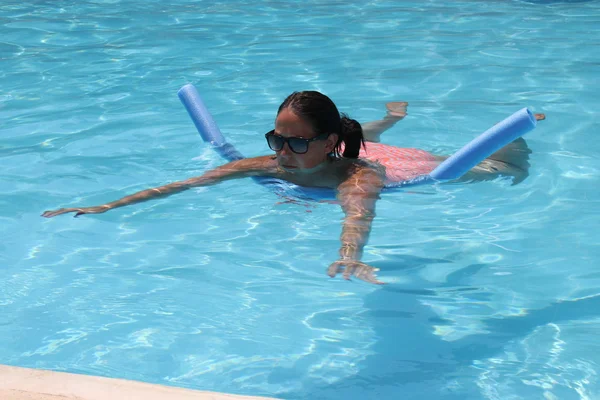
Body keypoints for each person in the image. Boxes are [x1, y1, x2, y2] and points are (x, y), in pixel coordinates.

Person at [42, 92, 545, 284]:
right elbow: (187, 185)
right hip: (348, 144)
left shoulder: (358, 176)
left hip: (408, 170)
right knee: (362, 135)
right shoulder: (274, 163)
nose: (282, 150)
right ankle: (386, 120)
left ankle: (522, 132)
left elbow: (358, 215)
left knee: (499, 170)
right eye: (276, 138)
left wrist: (350, 254)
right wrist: (110, 204)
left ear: (328, 144)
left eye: (295, 142)